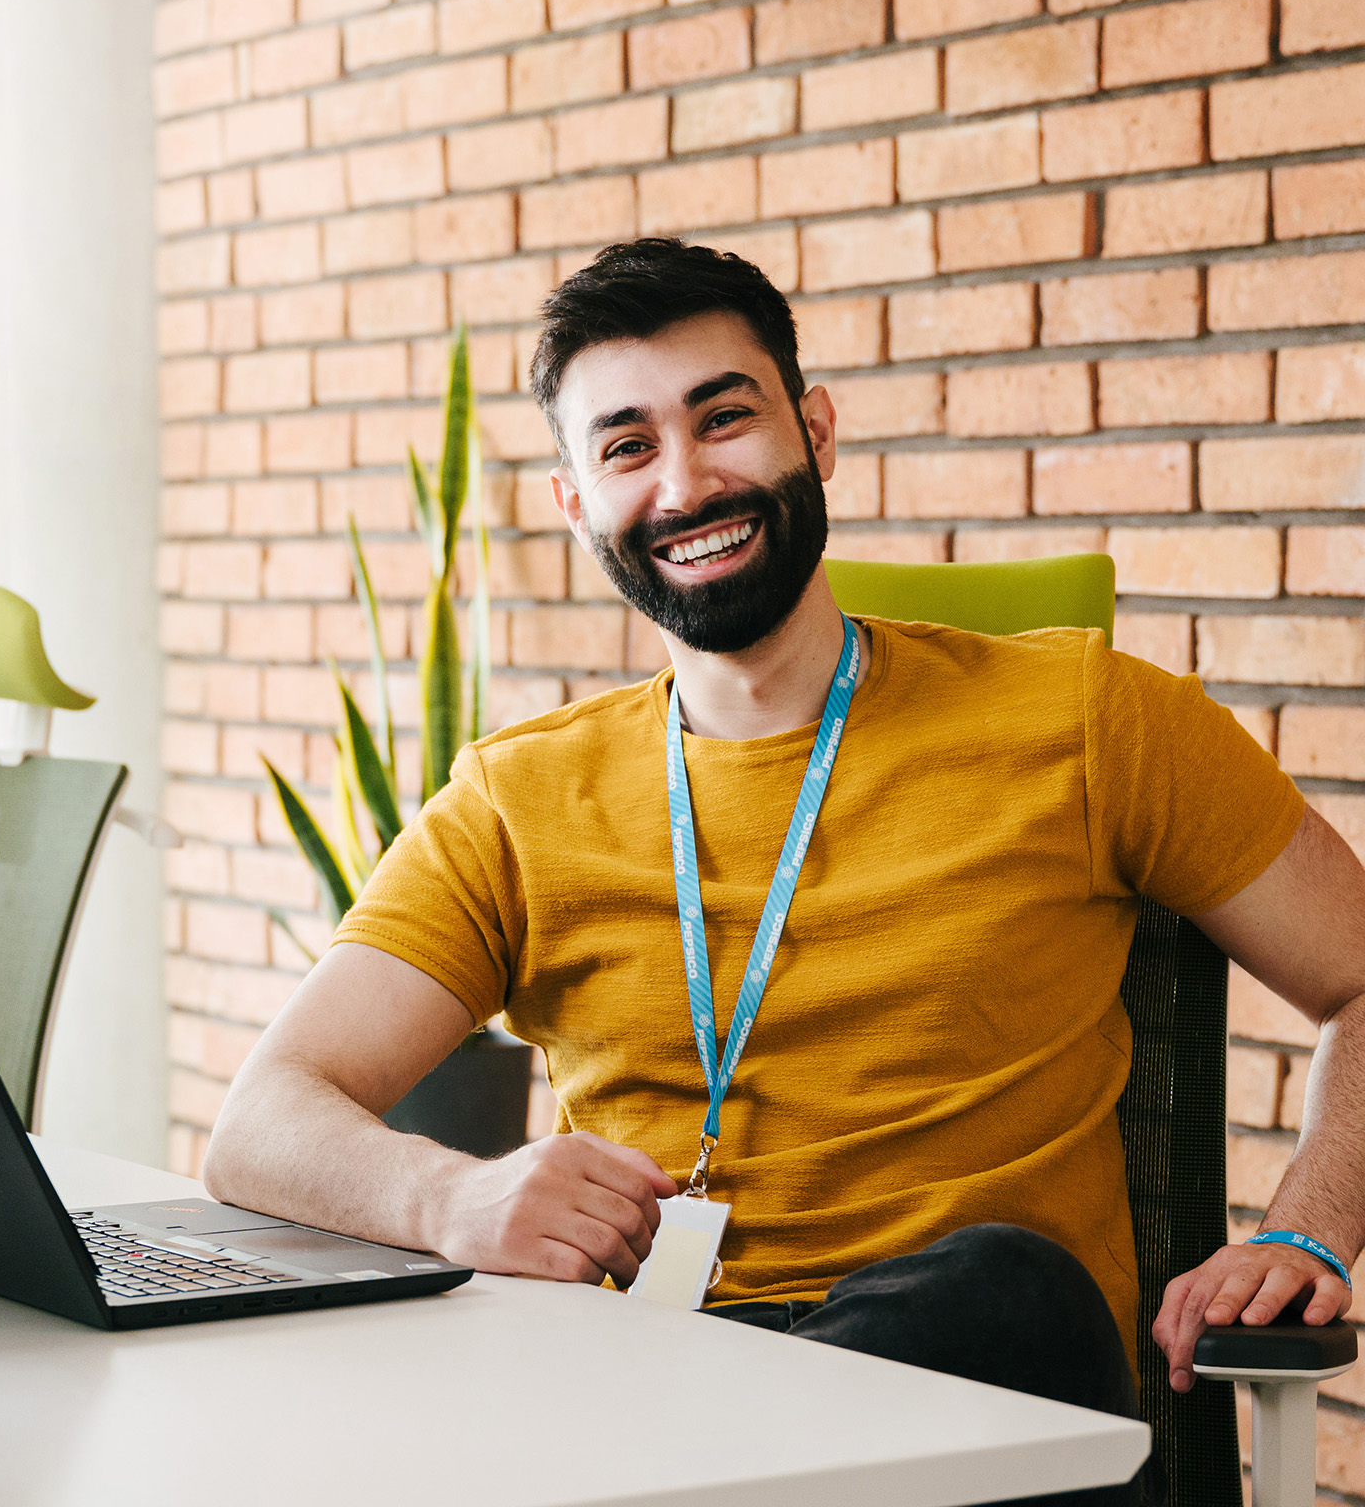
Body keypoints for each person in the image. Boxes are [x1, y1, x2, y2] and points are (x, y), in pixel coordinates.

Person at [205, 239, 1364, 1505]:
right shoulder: (518, 798)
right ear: (577, 501)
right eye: (627, 445)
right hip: (660, 1401)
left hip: (986, 1417)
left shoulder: (1087, 718)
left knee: (1000, 1287)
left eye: (725, 417)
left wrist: (1307, 1223)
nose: (688, 481)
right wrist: (453, 1195)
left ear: (813, 428)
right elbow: (264, 1119)